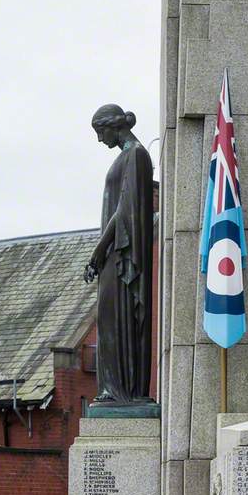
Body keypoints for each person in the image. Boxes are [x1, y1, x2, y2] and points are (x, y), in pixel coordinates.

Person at [84, 104, 154, 405]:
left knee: (115, 314)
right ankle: (113, 389)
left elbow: (125, 208)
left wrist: (99, 250)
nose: (100, 140)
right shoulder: (125, 156)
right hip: (114, 249)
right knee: (108, 316)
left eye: (101, 132)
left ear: (114, 126)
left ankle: (122, 390)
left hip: (124, 251)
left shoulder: (136, 155)